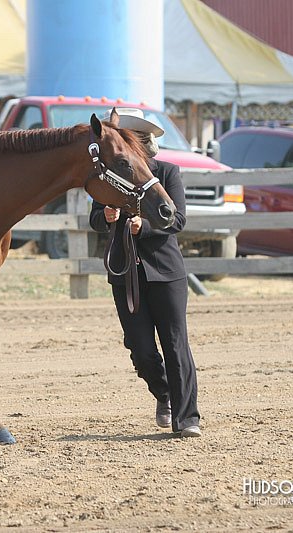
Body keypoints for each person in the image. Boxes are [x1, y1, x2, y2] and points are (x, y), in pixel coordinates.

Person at [89, 108, 202, 438]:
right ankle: (164, 394)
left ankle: (187, 417)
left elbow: (177, 221)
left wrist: (146, 227)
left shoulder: (167, 172)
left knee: (175, 343)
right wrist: (106, 217)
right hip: (126, 273)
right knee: (139, 346)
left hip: (165, 272)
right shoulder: (109, 176)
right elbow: (94, 218)